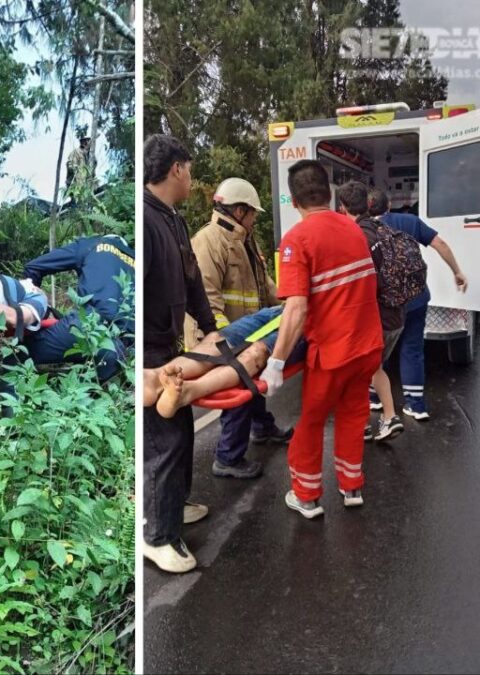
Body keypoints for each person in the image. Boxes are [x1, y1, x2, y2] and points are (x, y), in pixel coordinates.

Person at [267, 161, 382, 519]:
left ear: (295, 200)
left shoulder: (297, 240)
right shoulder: (352, 230)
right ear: (330, 194)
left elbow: (297, 309)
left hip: (334, 352)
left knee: (311, 421)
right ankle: (351, 487)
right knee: (352, 415)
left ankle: (306, 495)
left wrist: (276, 361)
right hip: (368, 347)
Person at [142, 134, 217, 574]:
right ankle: (157, 534)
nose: (191, 179)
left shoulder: (174, 220)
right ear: (175, 170)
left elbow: (192, 282)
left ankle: (175, 504)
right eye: (189, 170)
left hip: (170, 345)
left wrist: (211, 329)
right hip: (150, 351)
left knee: (181, 428)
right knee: (163, 441)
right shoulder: (146, 220)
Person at [189, 177, 291, 480]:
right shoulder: (208, 241)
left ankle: (262, 427)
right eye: (253, 212)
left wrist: (288, 301)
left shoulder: (244, 239)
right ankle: (228, 457)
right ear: (239, 210)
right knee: (239, 387)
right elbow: (205, 298)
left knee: (252, 383)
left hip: (248, 332)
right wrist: (223, 342)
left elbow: (264, 285)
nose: (256, 218)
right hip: (226, 336)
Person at [370, 188, 468, 420]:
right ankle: (416, 405)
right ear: (389, 205)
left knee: (376, 351)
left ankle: (373, 398)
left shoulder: (364, 229)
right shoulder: (410, 221)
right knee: (412, 349)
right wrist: (457, 271)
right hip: (416, 298)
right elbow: (440, 244)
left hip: (385, 303)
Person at [335, 181, 405, 442]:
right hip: (396, 314)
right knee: (372, 368)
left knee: (359, 370)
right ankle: (382, 419)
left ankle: (379, 419)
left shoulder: (355, 237)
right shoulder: (381, 228)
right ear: (367, 203)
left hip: (375, 318)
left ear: (342, 208)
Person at [145, 305, 306, 417]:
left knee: (255, 352)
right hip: (280, 311)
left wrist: (276, 362)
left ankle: (190, 390)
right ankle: (155, 377)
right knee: (216, 340)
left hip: (306, 322)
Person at [23, 235, 134, 383]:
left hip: (86, 325)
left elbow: (33, 267)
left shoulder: (94, 244)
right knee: (95, 394)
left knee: (16, 352)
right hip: (121, 347)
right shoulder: (138, 260)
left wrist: (33, 306)